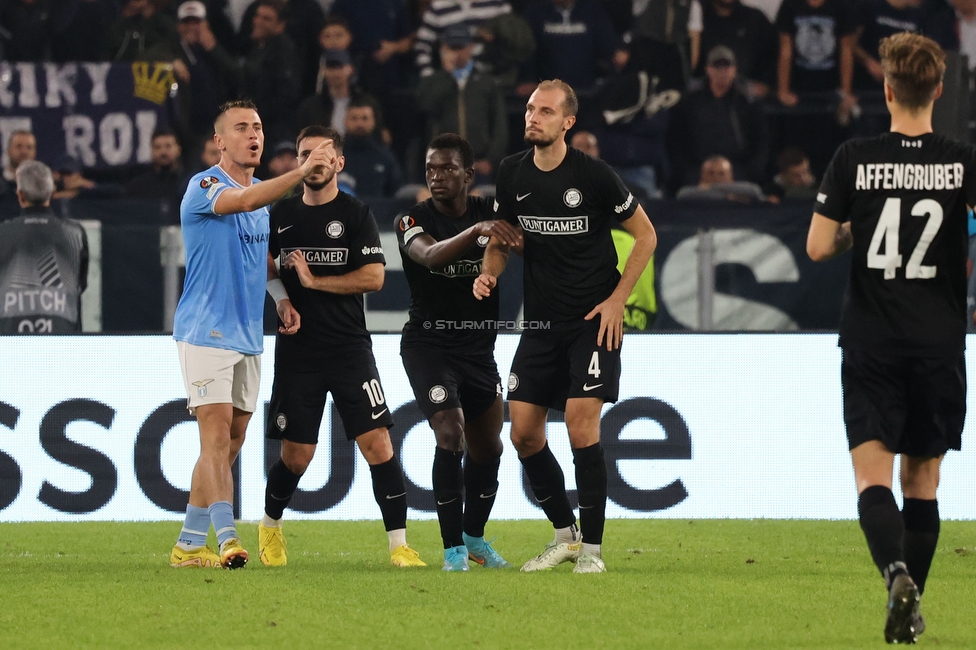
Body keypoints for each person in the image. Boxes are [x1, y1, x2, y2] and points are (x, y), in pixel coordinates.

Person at [806, 32, 972, 644]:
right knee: (921, 483)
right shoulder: (961, 160)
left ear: (886, 88)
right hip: (939, 341)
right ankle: (911, 612)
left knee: (872, 480)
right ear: (939, 89)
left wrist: (857, 227)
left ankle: (895, 574)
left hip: (872, 340)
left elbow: (819, 246)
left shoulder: (855, 156)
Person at [473, 79, 657, 573]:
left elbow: (646, 234)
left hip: (592, 322)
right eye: (530, 108)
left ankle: (593, 552)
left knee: (580, 424)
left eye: (545, 111)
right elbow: (501, 238)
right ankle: (565, 536)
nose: (533, 117)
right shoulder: (512, 173)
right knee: (525, 435)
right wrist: (489, 273)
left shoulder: (594, 175)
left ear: (567, 123)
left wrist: (619, 299)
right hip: (540, 323)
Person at [169, 99, 334, 570]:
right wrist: (303, 172)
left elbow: (261, 257)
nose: (253, 135)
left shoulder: (262, 194)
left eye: (258, 126)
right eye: (241, 128)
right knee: (216, 437)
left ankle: (186, 546)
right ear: (220, 141)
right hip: (204, 331)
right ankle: (227, 539)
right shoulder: (205, 186)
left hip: (247, 334)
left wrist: (280, 296)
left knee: (233, 440)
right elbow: (242, 202)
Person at [258, 125, 426, 569]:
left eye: (321, 154)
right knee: (298, 455)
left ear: (339, 163)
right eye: (304, 154)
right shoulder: (281, 214)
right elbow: (267, 265)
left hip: (350, 347)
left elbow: (373, 277)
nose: (312, 161)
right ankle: (270, 526)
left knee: (379, 444)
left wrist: (315, 281)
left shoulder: (354, 214)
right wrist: (285, 299)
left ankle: (399, 547)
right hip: (299, 351)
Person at [395, 133, 523, 571]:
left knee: (490, 448)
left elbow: (509, 245)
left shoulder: (493, 213)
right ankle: (452, 551)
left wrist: (493, 239)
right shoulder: (411, 220)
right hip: (428, 346)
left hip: (478, 351)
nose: (436, 176)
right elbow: (429, 256)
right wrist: (478, 231)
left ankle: (474, 539)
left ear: (469, 174)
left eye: (447, 168)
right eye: (430, 168)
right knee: (451, 434)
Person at [0, 161, 88, 335]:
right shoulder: (76, 234)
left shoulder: (2, 233)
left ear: (20, 196)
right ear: (53, 193)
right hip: (61, 343)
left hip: (8, 346)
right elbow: (80, 285)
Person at [415, 24, 508, 184]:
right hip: (443, 163)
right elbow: (424, 108)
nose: (457, 52)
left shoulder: (486, 82)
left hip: (478, 163)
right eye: (452, 47)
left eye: (461, 47)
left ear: (471, 47)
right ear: (443, 48)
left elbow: (499, 125)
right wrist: (447, 75)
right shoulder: (432, 82)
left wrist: (491, 160)